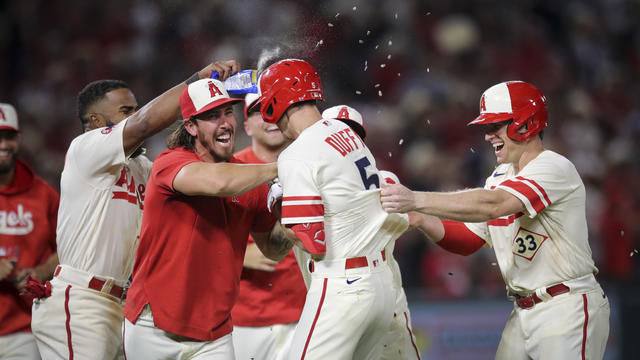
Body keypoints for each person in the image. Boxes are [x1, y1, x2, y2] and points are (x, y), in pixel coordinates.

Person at [380, 81, 610, 359]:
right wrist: (421, 218)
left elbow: (493, 205)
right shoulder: (500, 176)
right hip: (523, 311)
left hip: (566, 306)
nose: (488, 136)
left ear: (525, 124)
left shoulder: (554, 166)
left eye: (494, 126)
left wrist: (416, 199)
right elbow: (470, 239)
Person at [31, 60, 240, 360]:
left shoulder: (144, 167)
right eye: (126, 111)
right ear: (95, 121)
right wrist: (196, 81)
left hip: (124, 306)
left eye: (135, 109)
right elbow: (145, 123)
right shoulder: (84, 150)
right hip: (82, 301)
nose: (135, 116)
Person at [122, 78, 292, 360]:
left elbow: (274, 249)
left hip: (215, 332)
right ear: (191, 126)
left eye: (228, 112)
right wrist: (284, 166)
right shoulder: (170, 162)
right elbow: (218, 183)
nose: (225, 122)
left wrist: (291, 209)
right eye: (212, 116)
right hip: (153, 325)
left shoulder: (247, 177)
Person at [251, 58, 409, 359]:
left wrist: (281, 207)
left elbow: (313, 241)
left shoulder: (296, 154)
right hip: (381, 285)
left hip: (343, 285)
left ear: (273, 104)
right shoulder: (344, 130)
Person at [321, 105, 421, 360]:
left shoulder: (383, 179)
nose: (344, 139)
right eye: (337, 132)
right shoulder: (306, 180)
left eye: (351, 134)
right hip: (329, 306)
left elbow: (402, 220)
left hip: (384, 308)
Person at [230, 93, 307, 360]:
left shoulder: (311, 166)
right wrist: (237, 256)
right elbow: (196, 239)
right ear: (247, 126)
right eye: (258, 112)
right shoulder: (229, 172)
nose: (269, 117)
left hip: (305, 311)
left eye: (274, 109)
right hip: (246, 317)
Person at [0, 103, 58, 359]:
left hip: (23, 329)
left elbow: (70, 246)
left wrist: (40, 271)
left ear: (19, 138)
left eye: (9, 136)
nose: (3, 144)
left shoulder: (43, 193)